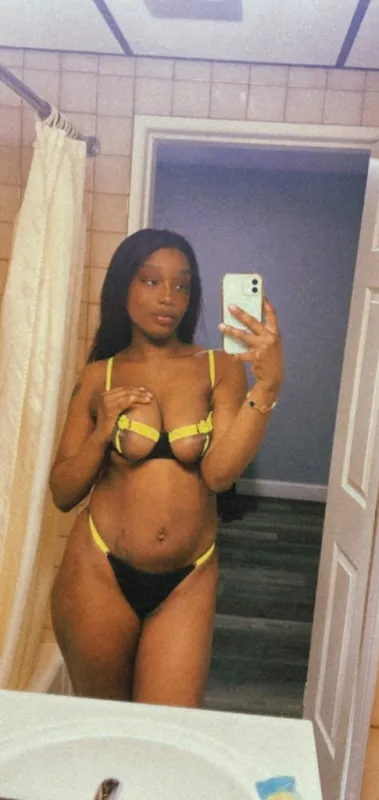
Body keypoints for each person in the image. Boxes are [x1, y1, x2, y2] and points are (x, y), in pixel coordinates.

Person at [50, 228, 284, 707]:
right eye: (151, 280)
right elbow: (63, 492)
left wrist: (268, 385)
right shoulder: (99, 376)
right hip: (98, 570)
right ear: (123, 287)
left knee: (167, 726)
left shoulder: (220, 367)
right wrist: (102, 433)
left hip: (188, 579)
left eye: (182, 285)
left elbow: (219, 474)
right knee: (104, 724)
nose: (168, 297)